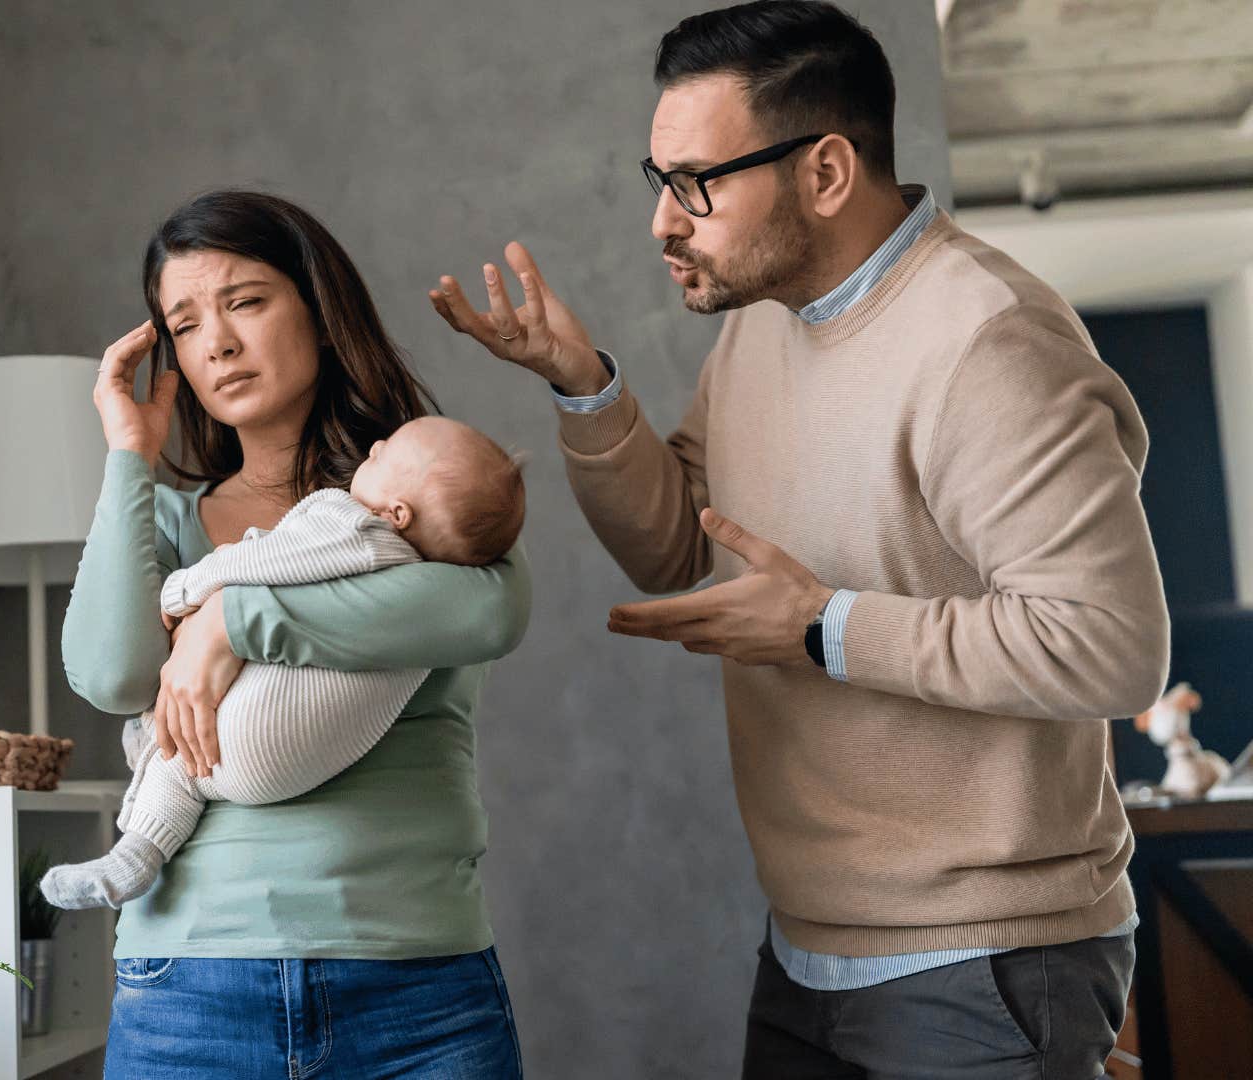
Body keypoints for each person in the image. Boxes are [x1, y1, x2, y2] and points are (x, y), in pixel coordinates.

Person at [429, 3, 1168, 1076]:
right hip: (809, 949)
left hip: (984, 964)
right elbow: (683, 545)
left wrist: (826, 626)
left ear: (825, 173)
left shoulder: (988, 339)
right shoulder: (765, 320)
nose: (664, 223)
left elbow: (1111, 645)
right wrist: (582, 387)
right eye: (660, 182)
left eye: (697, 184)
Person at [63, 189, 531, 1078]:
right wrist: (129, 454)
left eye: (245, 301)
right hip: (192, 988)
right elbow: (112, 674)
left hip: (416, 990)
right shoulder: (163, 519)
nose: (218, 343)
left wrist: (234, 619)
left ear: (320, 311)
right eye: (185, 323)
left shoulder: (427, 496)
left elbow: (492, 612)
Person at [41, 415, 525, 911]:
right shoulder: (430, 585)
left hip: (258, 738)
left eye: (387, 455)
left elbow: (268, 560)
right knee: (186, 758)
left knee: (182, 749)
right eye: (188, 330)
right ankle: (134, 854)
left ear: (397, 513)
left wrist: (195, 590)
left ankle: (141, 820)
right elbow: (109, 675)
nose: (376, 446)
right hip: (289, 763)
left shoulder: (355, 526)